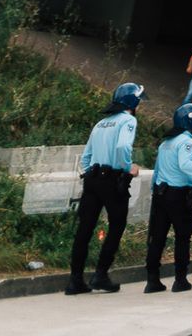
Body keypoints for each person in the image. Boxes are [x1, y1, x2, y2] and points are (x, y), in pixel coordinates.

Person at [67, 81, 143, 296]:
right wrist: (129, 168)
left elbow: (87, 157)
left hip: (92, 179)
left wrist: (94, 172)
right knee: (117, 225)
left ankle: (75, 280)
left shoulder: (101, 123)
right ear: (133, 102)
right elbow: (122, 147)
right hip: (112, 179)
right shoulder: (128, 120)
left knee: (85, 228)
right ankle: (100, 274)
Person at [146, 103, 192, 293]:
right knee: (182, 237)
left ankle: (152, 279)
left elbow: (157, 169)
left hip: (161, 193)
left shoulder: (166, 142)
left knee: (157, 237)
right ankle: (180, 279)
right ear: (189, 120)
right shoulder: (186, 141)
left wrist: (154, 191)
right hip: (178, 195)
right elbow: (185, 165)